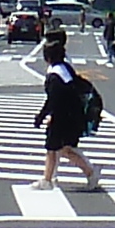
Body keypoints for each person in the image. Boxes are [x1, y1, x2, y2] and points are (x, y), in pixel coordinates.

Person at [36, 31, 103, 191]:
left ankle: (89, 173)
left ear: (48, 58)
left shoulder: (54, 76)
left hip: (64, 117)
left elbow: (53, 100)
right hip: (72, 116)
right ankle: (50, 179)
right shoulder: (65, 69)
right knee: (62, 149)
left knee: (56, 148)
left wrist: (42, 116)